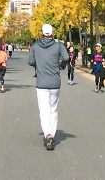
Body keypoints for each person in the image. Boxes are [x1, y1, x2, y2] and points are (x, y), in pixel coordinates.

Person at [28, 23, 70, 151]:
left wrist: (38, 65)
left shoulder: (35, 46)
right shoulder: (58, 46)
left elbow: (30, 61)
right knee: (53, 109)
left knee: (44, 110)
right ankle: (52, 132)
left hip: (41, 83)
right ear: (52, 33)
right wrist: (61, 66)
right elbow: (67, 57)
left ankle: (48, 134)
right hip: (55, 83)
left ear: (41, 33)